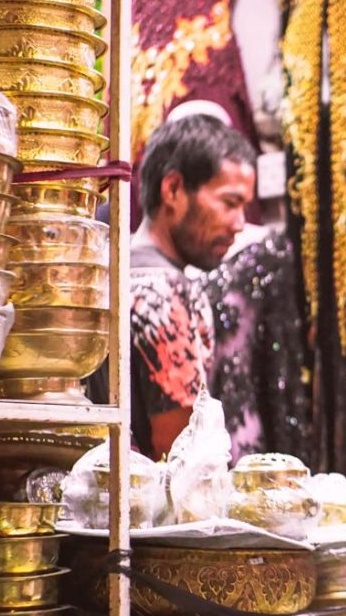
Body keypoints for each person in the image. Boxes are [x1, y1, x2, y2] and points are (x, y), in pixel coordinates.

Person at [88, 114, 256, 459]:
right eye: (230, 202)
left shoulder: (102, 272)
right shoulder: (167, 290)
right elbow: (181, 455)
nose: (240, 224)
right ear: (173, 189)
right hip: (140, 504)